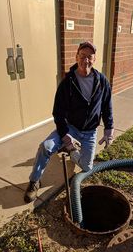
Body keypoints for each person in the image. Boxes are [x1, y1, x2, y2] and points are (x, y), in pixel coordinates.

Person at [24, 41, 114, 203]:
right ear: (76, 57)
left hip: (90, 132)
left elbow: (107, 106)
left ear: (94, 60)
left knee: (87, 167)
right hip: (70, 128)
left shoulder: (102, 81)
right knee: (46, 147)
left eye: (89, 57)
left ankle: (71, 151)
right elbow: (58, 113)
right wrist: (65, 135)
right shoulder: (67, 82)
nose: (86, 60)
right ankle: (34, 181)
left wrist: (109, 129)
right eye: (82, 56)